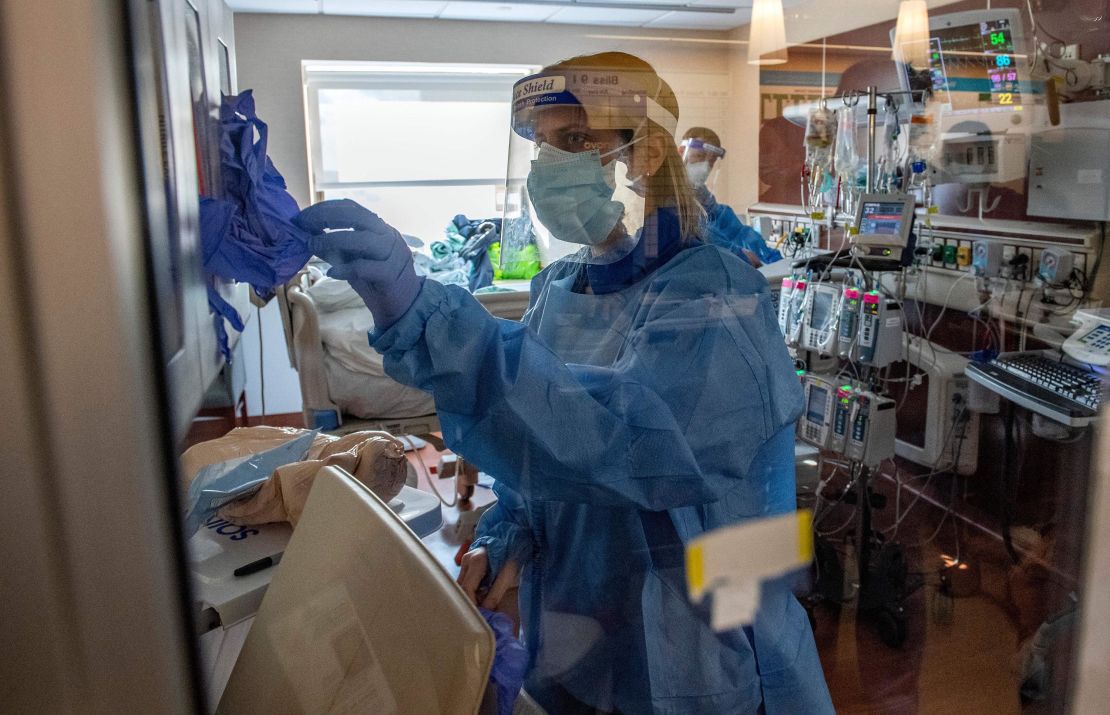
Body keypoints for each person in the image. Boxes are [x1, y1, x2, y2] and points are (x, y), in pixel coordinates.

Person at [297, 51, 833, 715]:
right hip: (580, 650)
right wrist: (511, 534)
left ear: (647, 156)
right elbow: (537, 457)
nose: (552, 166)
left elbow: (609, 440)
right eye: (546, 146)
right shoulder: (559, 288)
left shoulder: (716, 297)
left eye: (577, 142)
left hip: (702, 666)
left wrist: (423, 316)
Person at [679, 126, 782, 268]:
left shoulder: (701, 194)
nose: (705, 167)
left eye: (711, 161)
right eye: (700, 157)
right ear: (681, 152)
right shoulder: (667, 191)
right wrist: (737, 253)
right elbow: (700, 233)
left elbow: (735, 230)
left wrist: (770, 258)